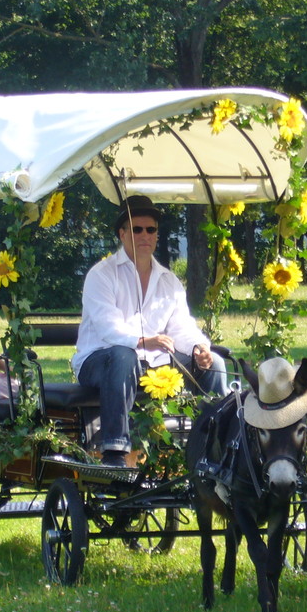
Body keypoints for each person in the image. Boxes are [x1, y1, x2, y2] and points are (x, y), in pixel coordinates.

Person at [73, 195, 227, 466]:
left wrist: (200, 348)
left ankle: (214, 449)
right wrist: (143, 341)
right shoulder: (101, 275)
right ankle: (115, 452)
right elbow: (108, 328)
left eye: (151, 229)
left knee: (216, 364)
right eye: (136, 229)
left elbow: (181, 327)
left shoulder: (168, 281)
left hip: (154, 366)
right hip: (99, 362)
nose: (145, 235)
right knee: (123, 355)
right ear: (122, 234)